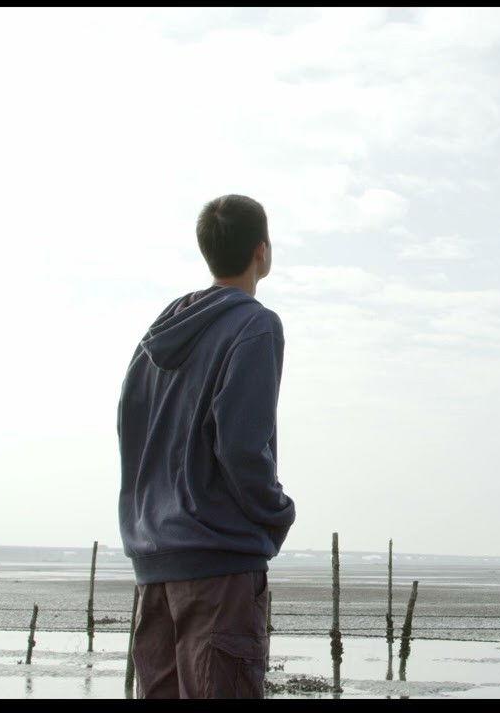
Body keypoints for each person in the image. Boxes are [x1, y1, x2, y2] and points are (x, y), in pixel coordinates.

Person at [117, 194, 296, 699]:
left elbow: (129, 426)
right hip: (219, 561)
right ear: (261, 250)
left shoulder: (162, 331)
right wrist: (276, 512)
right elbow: (241, 446)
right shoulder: (254, 324)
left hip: (154, 558)